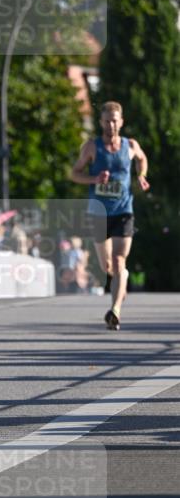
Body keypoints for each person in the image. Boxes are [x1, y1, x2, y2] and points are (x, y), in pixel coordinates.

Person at [70, 101, 150, 330]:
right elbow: (75, 173)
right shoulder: (91, 147)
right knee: (108, 267)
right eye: (107, 121)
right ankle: (120, 283)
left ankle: (115, 311)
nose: (111, 125)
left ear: (121, 122)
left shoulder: (130, 145)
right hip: (98, 212)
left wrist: (141, 175)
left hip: (124, 211)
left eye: (115, 120)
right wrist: (94, 179)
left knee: (118, 260)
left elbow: (142, 159)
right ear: (101, 122)